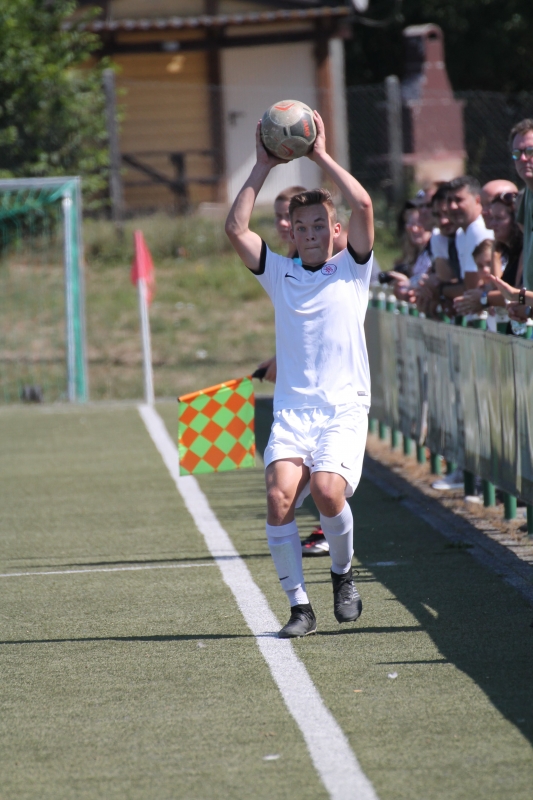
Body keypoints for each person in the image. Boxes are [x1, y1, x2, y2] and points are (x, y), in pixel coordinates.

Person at [225, 111, 373, 638]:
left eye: (319, 227)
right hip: (292, 411)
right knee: (278, 498)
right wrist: (262, 166)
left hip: (343, 408)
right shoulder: (280, 273)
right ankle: (299, 608)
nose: (310, 234)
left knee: (330, 491)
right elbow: (235, 229)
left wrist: (320, 155)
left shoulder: (353, 269)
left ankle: (342, 576)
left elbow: (363, 205)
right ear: (291, 231)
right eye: (301, 227)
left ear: (335, 231)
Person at [453, 192, 523, 327]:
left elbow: (521, 294)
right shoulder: (507, 251)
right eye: (492, 218)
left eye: (499, 219)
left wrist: (485, 299)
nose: (492, 224)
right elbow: (497, 286)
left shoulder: (525, 250)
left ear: (516, 220)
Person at [510, 119, 533, 291]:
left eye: (530, 151)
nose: (523, 159)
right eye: (517, 154)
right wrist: (520, 298)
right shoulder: (526, 195)